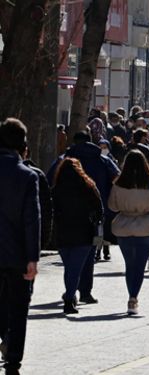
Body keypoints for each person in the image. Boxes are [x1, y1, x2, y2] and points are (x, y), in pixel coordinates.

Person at [47, 131, 119, 304]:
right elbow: (117, 177)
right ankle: (85, 291)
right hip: (91, 215)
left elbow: (49, 180)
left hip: (65, 217)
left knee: (69, 257)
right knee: (89, 254)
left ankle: (71, 289)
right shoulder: (102, 159)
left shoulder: (64, 159)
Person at [0, 119, 40, 375]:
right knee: (18, 307)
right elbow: (31, 220)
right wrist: (32, 258)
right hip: (16, 254)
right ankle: (13, 359)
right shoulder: (27, 176)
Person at [108, 150, 149, 315]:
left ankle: (131, 294)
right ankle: (133, 297)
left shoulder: (119, 184)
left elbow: (112, 206)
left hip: (124, 225)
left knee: (129, 264)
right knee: (139, 265)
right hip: (145, 226)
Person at [52, 158, 103, 314]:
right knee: (75, 268)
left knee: (70, 267)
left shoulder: (56, 189)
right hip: (83, 232)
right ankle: (69, 298)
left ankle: (70, 294)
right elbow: (99, 209)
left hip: (62, 233)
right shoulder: (89, 186)